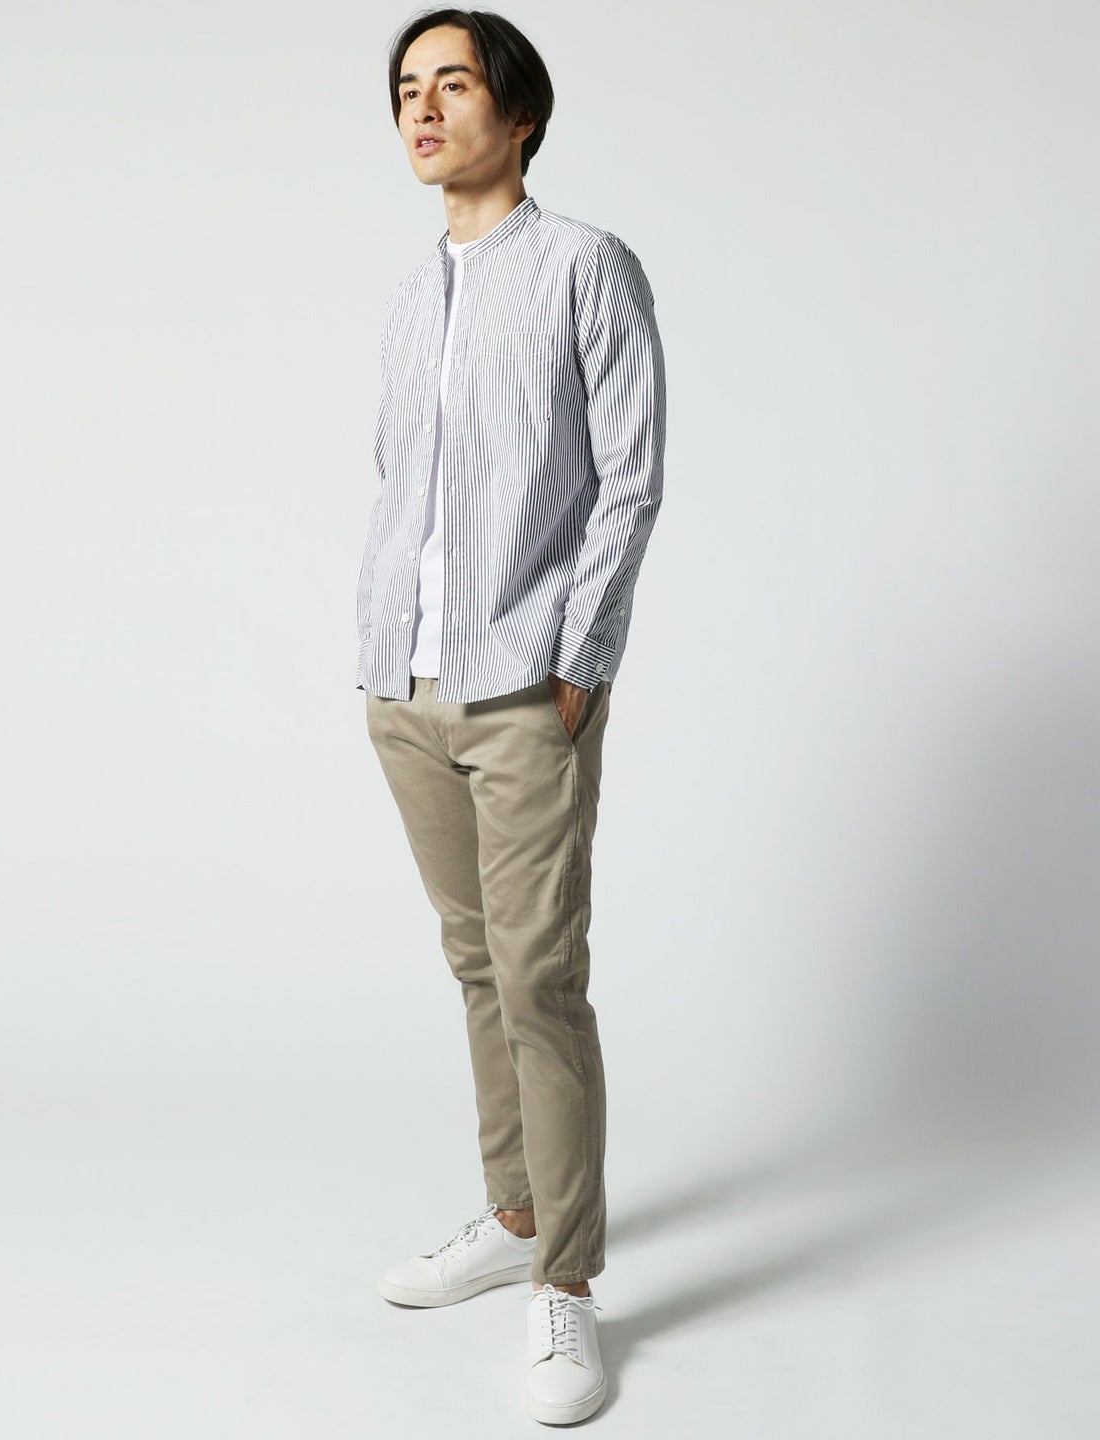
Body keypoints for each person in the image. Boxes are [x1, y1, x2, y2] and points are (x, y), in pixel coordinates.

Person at [354, 7, 666, 1425]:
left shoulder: (587, 267)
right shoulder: (407, 295)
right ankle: (517, 1213)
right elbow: (396, 485)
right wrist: (379, 650)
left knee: (541, 979)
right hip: (407, 684)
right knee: (477, 964)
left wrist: (579, 658)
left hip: (527, 684)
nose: (423, 109)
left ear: (519, 112)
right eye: (406, 90)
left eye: (453, 83)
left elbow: (630, 475)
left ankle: (569, 1287)